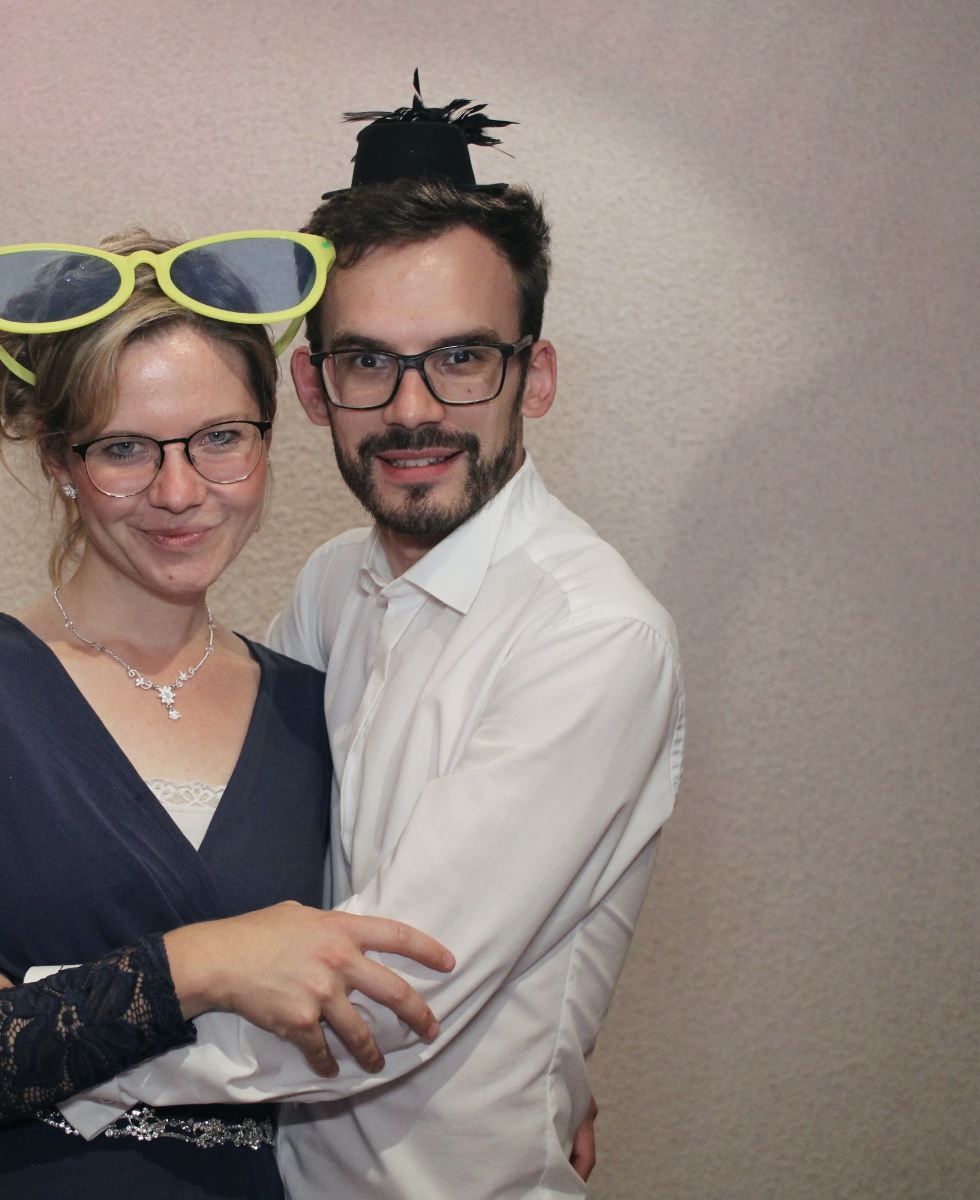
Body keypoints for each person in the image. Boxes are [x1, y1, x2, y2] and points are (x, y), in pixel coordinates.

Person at [59, 83, 685, 1200]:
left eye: (462, 358)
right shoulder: (328, 587)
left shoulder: (592, 637)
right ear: (313, 385)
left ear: (534, 376)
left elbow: (378, 1005)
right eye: (366, 362)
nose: (411, 410)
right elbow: (242, 871)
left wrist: (39, 1033)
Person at [0, 229, 455, 1200]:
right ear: (59, 459)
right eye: (124, 449)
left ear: (267, 439)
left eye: (221, 438)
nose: (180, 491)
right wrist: (201, 964)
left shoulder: (322, 713)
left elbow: (399, 1005)